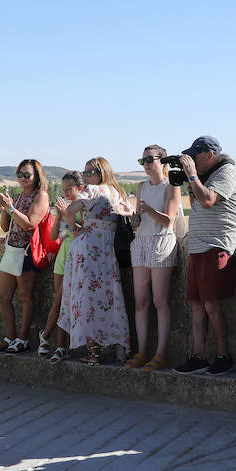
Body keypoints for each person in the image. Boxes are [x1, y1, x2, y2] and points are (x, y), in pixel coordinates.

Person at [173, 136, 236, 376]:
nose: (191, 160)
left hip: (216, 246)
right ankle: (199, 356)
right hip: (197, 246)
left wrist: (193, 176)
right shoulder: (208, 176)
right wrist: (191, 180)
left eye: (195, 156)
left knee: (211, 305)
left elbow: (207, 201)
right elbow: (196, 201)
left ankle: (224, 356)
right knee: (196, 304)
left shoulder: (228, 173)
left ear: (209, 155)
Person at [59, 157, 135, 366]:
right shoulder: (118, 192)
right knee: (109, 297)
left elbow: (69, 210)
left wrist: (74, 229)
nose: (86, 177)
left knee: (86, 299)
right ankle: (113, 346)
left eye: (90, 173)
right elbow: (133, 216)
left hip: (89, 246)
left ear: (101, 173)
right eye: (84, 173)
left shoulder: (92, 191)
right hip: (109, 248)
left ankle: (94, 353)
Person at [126, 145, 184, 372]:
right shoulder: (141, 186)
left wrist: (148, 210)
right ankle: (142, 352)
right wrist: (134, 220)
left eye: (150, 159)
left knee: (160, 301)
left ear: (163, 161)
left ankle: (160, 354)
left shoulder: (172, 186)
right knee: (140, 302)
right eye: (143, 161)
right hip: (141, 242)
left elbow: (168, 220)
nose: (146, 165)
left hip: (161, 242)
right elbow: (140, 220)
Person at [0, 160, 50, 353]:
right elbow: (5, 226)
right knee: (2, 295)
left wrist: (10, 208)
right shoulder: (17, 197)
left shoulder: (40, 196)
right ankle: (10, 336)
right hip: (12, 248)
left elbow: (30, 224)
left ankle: (23, 338)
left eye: (27, 175)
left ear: (36, 177)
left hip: (27, 250)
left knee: (25, 296)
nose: (23, 179)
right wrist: (4, 209)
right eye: (20, 175)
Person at [40, 171, 81, 363]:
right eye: (63, 189)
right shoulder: (66, 206)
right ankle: (59, 345)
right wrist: (58, 217)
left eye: (69, 189)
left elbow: (83, 231)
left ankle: (49, 337)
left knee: (64, 302)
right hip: (64, 256)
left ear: (79, 188)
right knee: (60, 301)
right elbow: (53, 237)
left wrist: (68, 214)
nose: (66, 193)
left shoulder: (83, 205)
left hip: (78, 254)